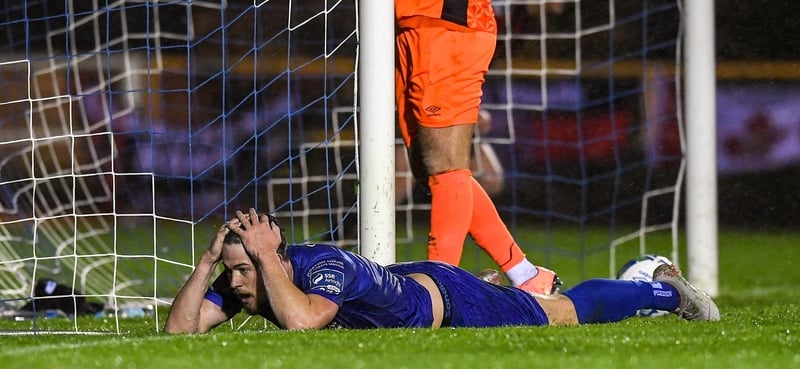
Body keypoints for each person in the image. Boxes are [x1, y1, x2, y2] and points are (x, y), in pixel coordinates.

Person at [163, 209, 720, 333]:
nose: (235, 285)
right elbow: (178, 333)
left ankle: (661, 290)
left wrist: (261, 260)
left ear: (274, 258)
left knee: (564, 315)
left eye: (245, 270)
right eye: (231, 273)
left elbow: (304, 322)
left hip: (450, 302)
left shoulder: (318, 267)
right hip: (417, 284)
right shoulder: (247, 276)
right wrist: (211, 261)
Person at [394, 0, 560, 294]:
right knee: (430, 169)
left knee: (445, 168)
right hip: (410, 24)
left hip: (450, 23)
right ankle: (524, 274)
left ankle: (439, 288)